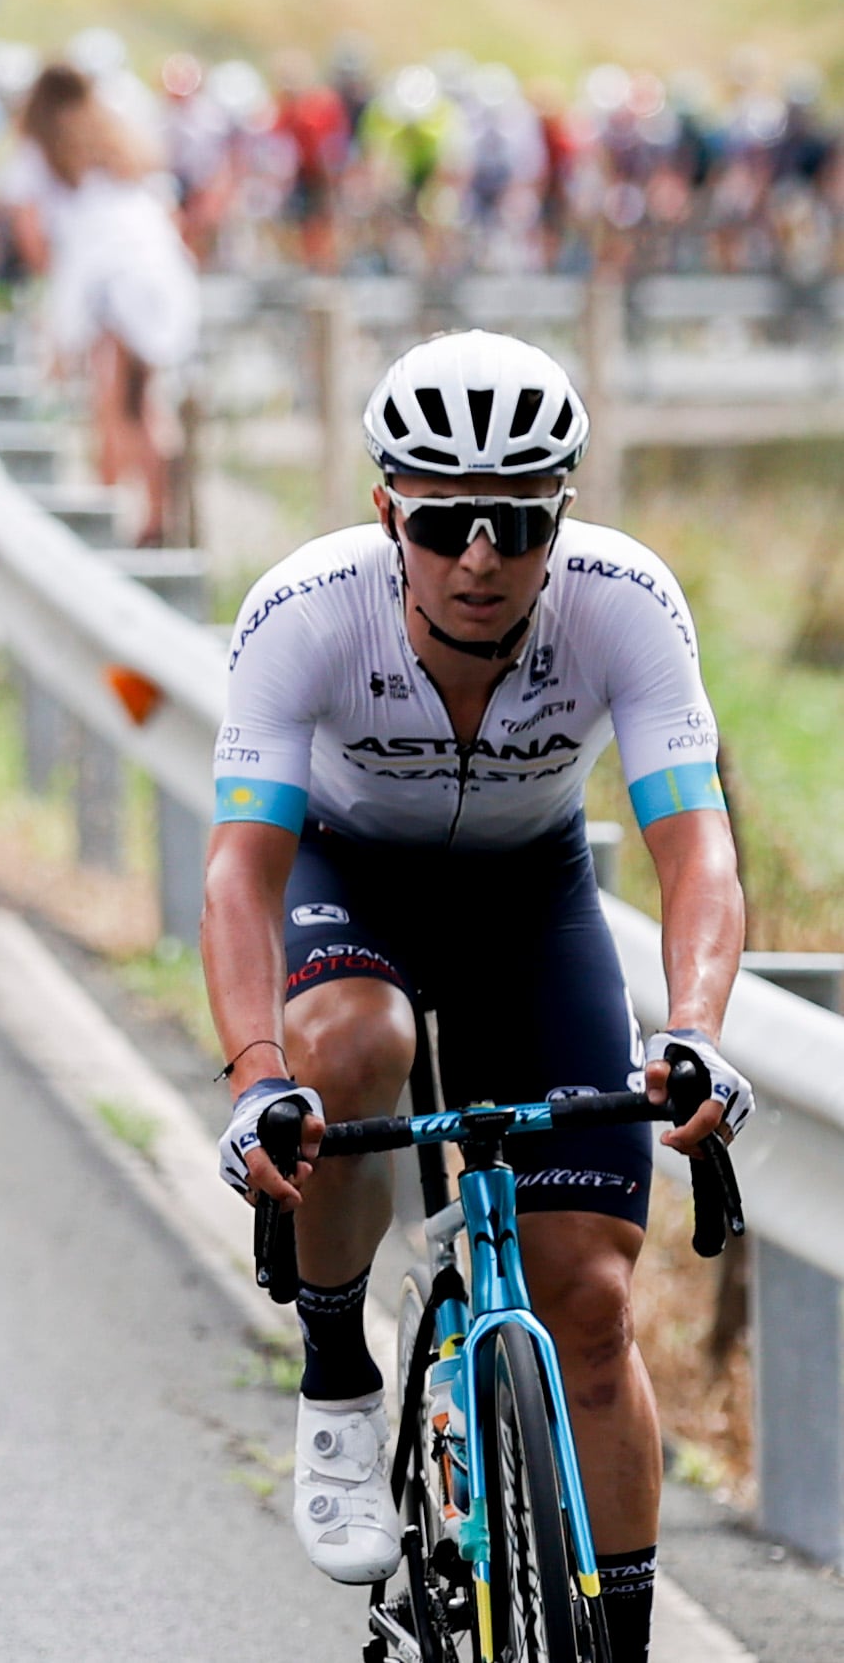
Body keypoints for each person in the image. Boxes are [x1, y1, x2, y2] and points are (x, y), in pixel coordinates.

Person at [204, 332, 750, 1663]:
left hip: (529, 898)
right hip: (354, 881)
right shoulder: (303, 608)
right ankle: (336, 1367)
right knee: (356, 1042)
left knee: (588, 1303)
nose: (480, 558)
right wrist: (256, 1076)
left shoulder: (622, 601)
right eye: (445, 521)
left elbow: (695, 849)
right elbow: (238, 872)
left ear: (560, 513)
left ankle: (615, 1640)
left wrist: (692, 1033)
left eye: (515, 522)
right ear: (388, 508)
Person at [15, 61, 199, 546]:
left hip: (111, 284)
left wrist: (58, 321)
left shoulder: (50, 157)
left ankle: (118, 512)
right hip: (158, 276)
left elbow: (39, 243)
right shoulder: (122, 145)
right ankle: (153, 515)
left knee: (118, 403)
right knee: (144, 404)